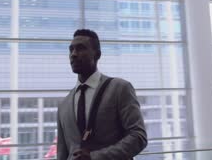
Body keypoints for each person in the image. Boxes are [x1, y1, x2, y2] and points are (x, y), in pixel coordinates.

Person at [56, 29, 147, 160]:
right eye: (71, 50)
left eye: (81, 48)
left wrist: (95, 157)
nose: (73, 54)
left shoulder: (120, 89)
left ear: (97, 54)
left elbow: (139, 137)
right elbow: (62, 153)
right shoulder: (63, 105)